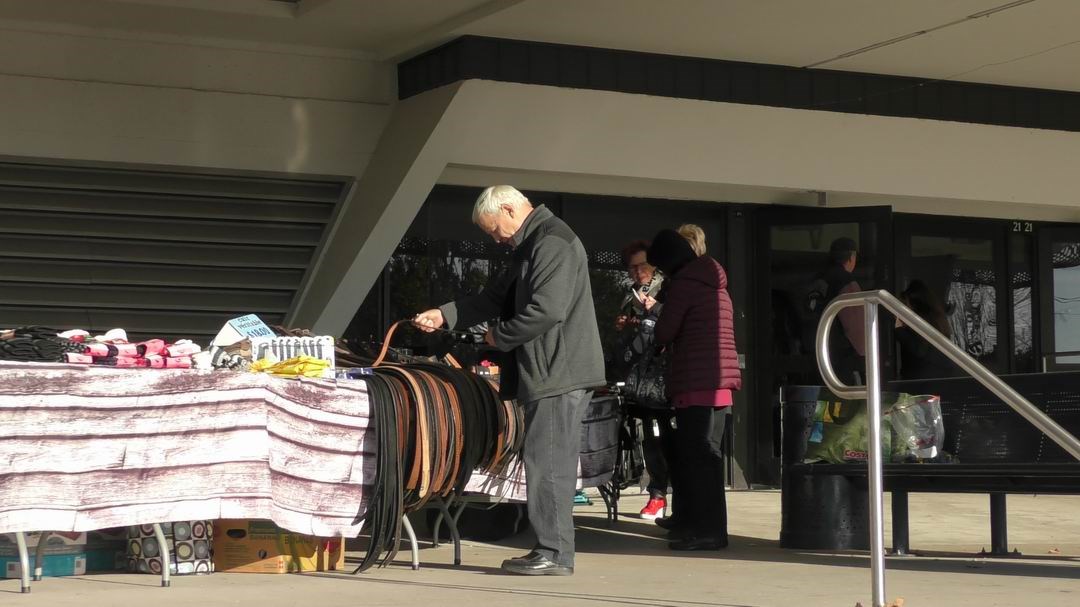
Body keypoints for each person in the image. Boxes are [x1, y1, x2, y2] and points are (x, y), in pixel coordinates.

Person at [413, 185, 605, 576]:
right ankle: (551, 549)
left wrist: (497, 337)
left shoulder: (552, 241)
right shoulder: (532, 243)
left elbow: (546, 310)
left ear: (509, 208)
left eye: (493, 228)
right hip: (552, 369)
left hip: (558, 371)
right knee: (548, 461)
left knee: (548, 462)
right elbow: (492, 298)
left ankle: (553, 553)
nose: (494, 237)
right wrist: (444, 314)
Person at [645, 228, 741, 551]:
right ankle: (699, 524)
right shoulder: (717, 284)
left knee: (698, 461)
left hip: (697, 382)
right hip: (721, 384)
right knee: (708, 459)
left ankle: (707, 531)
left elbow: (665, 332)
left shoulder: (685, 285)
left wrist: (655, 313)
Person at [613, 240, 670, 520]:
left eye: (641, 266)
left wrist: (653, 312)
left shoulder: (668, 289)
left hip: (663, 377)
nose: (637, 273)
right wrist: (626, 326)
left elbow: (670, 328)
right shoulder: (629, 295)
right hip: (638, 376)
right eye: (632, 268)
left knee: (666, 438)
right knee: (646, 437)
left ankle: (662, 493)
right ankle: (655, 494)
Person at [816, 237, 866, 384]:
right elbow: (856, 328)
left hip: (821, 352)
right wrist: (864, 358)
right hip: (842, 357)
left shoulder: (820, 279)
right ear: (851, 257)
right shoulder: (847, 283)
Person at [895, 279, 958, 380]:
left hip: (925, 384)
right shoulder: (937, 320)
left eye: (905, 305)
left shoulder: (921, 324)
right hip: (940, 380)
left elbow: (920, 351)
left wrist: (899, 329)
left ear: (914, 305)